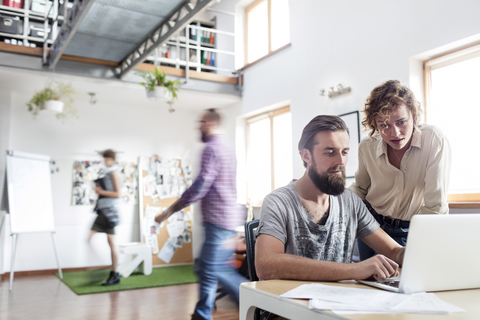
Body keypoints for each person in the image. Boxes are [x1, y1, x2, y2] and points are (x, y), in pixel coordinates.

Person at [255, 115, 405, 282]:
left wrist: (418, 256)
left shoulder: (350, 201)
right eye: (330, 152)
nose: (340, 161)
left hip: (339, 303)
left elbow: (394, 251)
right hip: (291, 304)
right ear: (306, 155)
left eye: (345, 152)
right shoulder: (278, 202)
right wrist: (355, 270)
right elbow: (266, 265)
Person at [155, 109, 247, 320]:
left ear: (211, 123)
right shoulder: (228, 149)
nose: (199, 127)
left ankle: (259, 303)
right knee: (209, 268)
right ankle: (202, 313)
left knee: (214, 270)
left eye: (202, 122)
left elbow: (201, 185)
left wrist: (171, 210)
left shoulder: (211, 148)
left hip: (218, 220)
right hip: (226, 219)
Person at [349, 80, 451, 261]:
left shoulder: (434, 140)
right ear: (375, 124)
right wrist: (334, 205)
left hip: (411, 230)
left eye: (401, 122)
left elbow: (435, 206)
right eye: (383, 125)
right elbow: (360, 188)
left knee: (406, 285)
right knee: (368, 285)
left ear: (413, 115)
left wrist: (426, 243)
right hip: (371, 226)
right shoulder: (367, 146)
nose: (394, 133)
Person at [88, 149, 122, 286]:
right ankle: (113, 272)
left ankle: (111, 272)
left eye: (106, 159)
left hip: (109, 212)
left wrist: (100, 191)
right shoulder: (107, 173)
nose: (104, 161)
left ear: (112, 159)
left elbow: (118, 194)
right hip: (103, 210)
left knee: (109, 243)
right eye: (104, 159)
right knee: (109, 242)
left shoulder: (114, 173)